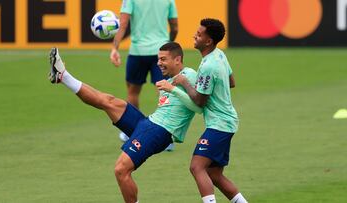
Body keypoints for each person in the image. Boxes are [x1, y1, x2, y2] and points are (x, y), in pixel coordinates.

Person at [48, 42, 200, 203]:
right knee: (108, 101)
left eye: (163, 59)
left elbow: (200, 104)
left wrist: (174, 88)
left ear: (177, 60)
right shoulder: (168, 80)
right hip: (148, 123)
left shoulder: (188, 74)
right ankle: (63, 76)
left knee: (121, 170)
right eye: (158, 59)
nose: (158, 63)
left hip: (159, 131)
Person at [171, 19, 248, 203]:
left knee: (197, 167)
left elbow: (199, 100)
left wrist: (183, 82)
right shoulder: (219, 55)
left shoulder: (208, 66)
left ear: (208, 41)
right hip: (227, 122)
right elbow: (231, 82)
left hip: (219, 125)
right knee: (214, 174)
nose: (194, 36)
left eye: (199, 34)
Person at [110, 0, 178, 145]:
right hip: (161, 51)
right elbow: (175, 26)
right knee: (164, 91)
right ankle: (167, 136)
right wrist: (169, 45)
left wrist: (115, 48)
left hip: (137, 51)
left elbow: (123, 24)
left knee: (133, 92)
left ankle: (133, 132)